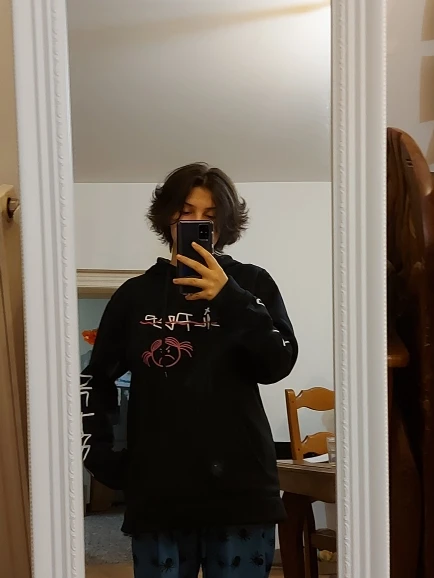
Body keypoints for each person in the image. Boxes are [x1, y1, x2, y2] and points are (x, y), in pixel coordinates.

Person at [81, 162, 298, 578]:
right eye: (187, 212)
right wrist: (104, 461)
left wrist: (229, 297)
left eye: (210, 216)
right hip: (158, 493)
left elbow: (278, 363)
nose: (198, 223)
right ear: (167, 217)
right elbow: (95, 379)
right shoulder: (134, 296)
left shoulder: (253, 284)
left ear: (226, 224)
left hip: (242, 490)